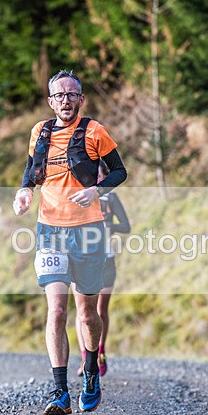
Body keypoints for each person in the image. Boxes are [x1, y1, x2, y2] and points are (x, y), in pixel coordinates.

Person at [13, 69, 127, 415]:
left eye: (72, 94)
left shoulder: (95, 131)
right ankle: (59, 391)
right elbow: (32, 168)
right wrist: (23, 192)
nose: (65, 100)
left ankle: (91, 372)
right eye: (59, 95)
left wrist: (97, 189)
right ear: (50, 102)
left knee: (87, 312)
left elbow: (120, 170)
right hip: (50, 230)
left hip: (89, 231)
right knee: (57, 309)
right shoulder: (40, 132)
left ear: (81, 99)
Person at [75, 162, 130, 377]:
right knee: (82, 312)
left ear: (106, 176)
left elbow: (126, 226)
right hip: (81, 259)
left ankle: (100, 353)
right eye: (92, 173)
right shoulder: (78, 195)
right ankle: (85, 358)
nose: (95, 177)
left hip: (106, 259)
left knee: (100, 310)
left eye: (99, 173)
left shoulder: (111, 198)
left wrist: (110, 225)